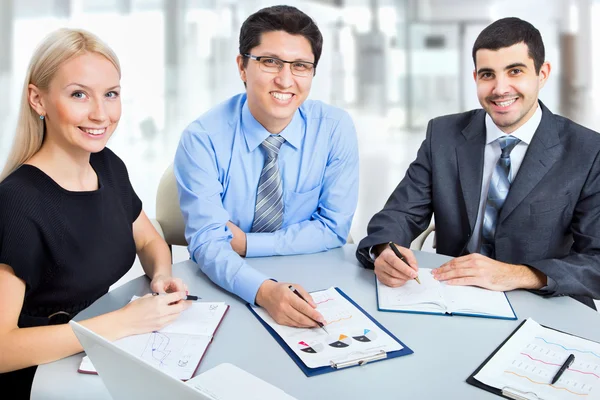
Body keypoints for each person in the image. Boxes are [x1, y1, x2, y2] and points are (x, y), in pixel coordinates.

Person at [356, 17, 600, 309]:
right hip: (451, 298)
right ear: (475, 79)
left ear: (542, 73)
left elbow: (595, 262)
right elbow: (400, 212)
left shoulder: (587, 150)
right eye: (487, 75)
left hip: (541, 304)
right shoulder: (443, 135)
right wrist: (385, 249)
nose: (500, 88)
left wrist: (517, 274)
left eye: (515, 71)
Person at [0, 28, 191, 397]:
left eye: (111, 94)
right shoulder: (16, 204)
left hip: (97, 353)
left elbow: (149, 238)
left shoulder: (106, 166)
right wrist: (120, 323)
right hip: (41, 379)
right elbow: (3, 349)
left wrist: (161, 276)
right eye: (78, 95)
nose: (100, 114)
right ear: (37, 100)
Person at [175, 5, 359, 327]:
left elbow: (334, 228)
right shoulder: (202, 138)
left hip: (314, 280)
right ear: (242, 67)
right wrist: (264, 292)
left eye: (300, 66)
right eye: (270, 61)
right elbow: (208, 243)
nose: (285, 79)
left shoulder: (333, 129)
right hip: (226, 287)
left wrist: (247, 243)